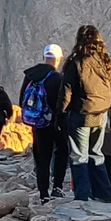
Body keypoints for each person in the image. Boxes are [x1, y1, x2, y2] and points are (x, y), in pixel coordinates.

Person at [60, 23, 111, 203]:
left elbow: (66, 92)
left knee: (79, 156)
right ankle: (103, 194)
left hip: (81, 115)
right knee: (96, 154)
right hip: (101, 114)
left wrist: (60, 116)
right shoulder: (107, 61)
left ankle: (82, 196)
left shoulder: (76, 62)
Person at [19, 43, 68, 203]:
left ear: (44, 57)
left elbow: (22, 100)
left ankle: (43, 194)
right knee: (61, 152)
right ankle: (57, 187)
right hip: (55, 123)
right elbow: (62, 104)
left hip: (38, 124)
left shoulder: (30, 76)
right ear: (58, 59)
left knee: (42, 157)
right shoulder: (57, 78)